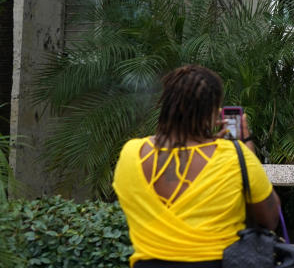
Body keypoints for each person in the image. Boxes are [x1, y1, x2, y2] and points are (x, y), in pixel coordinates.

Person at [113, 65, 280, 267]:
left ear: (167, 104)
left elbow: (174, 168)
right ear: (212, 112)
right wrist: (245, 148)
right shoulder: (235, 156)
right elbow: (269, 219)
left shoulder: (131, 154)